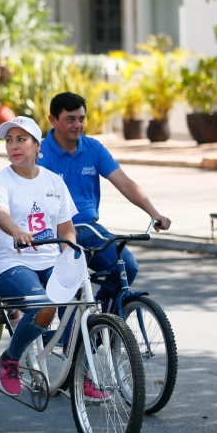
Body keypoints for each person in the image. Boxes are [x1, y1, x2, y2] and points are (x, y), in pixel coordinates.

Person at [0, 116, 104, 399]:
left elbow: (66, 229)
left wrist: (70, 256)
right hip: (11, 262)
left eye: (21, 139)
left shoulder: (54, 181)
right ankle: (10, 358)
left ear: (38, 146)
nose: (14, 146)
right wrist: (16, 231)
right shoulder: (1, 181)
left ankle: (82, 374)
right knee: (44, 306)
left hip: (51, 260)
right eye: (9, 140)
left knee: (79, 307)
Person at [38, 92, 172, 309]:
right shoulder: (40, 153)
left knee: (127, 267)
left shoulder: (93, 148)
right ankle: (70, 328)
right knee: (70, 284)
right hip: (55, 233)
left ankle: (105, 319)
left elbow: (125, 183)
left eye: (81, 119)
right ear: (53, 120)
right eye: (70, 119)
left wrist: (154, 213)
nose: (78, 125)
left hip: (90, 229)